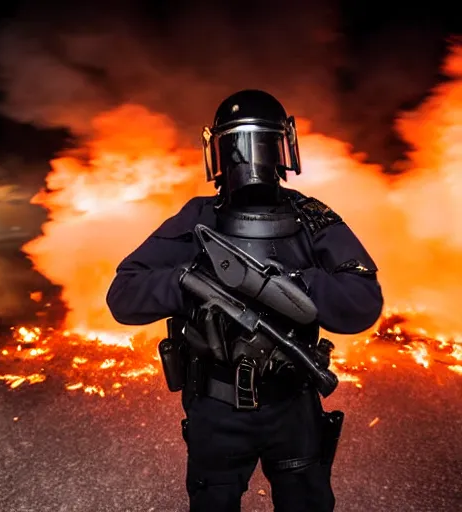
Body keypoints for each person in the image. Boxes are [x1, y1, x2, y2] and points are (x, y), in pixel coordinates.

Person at [106, 90, 384, 512]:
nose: (249, 161)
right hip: (217, 410)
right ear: (218, 154)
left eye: (262, 144)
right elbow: (123, 295)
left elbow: (363, 301)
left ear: (283, 149)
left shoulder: (311, 218)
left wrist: (289, 284)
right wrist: (189, 283)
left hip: (293, 403)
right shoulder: (198, 218)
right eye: (237, 146)